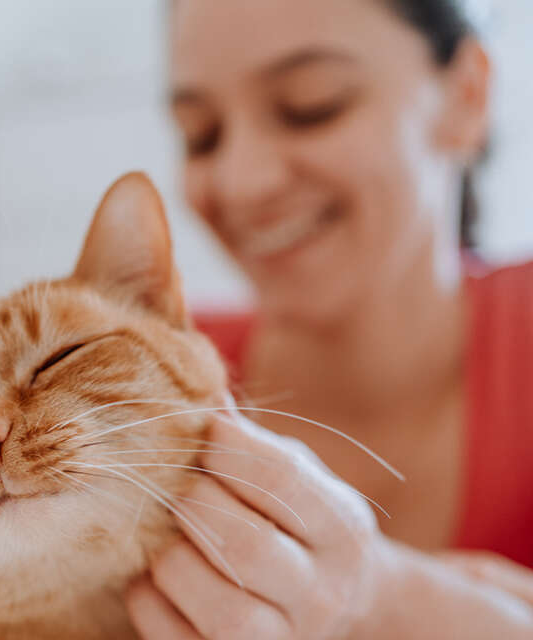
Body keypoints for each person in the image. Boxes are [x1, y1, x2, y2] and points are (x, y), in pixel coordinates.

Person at [125, 0, 533, 637]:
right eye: (201, 133)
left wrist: (393, 603)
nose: (242, 179)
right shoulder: (146, 374)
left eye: (311, 105)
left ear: (467, 96)